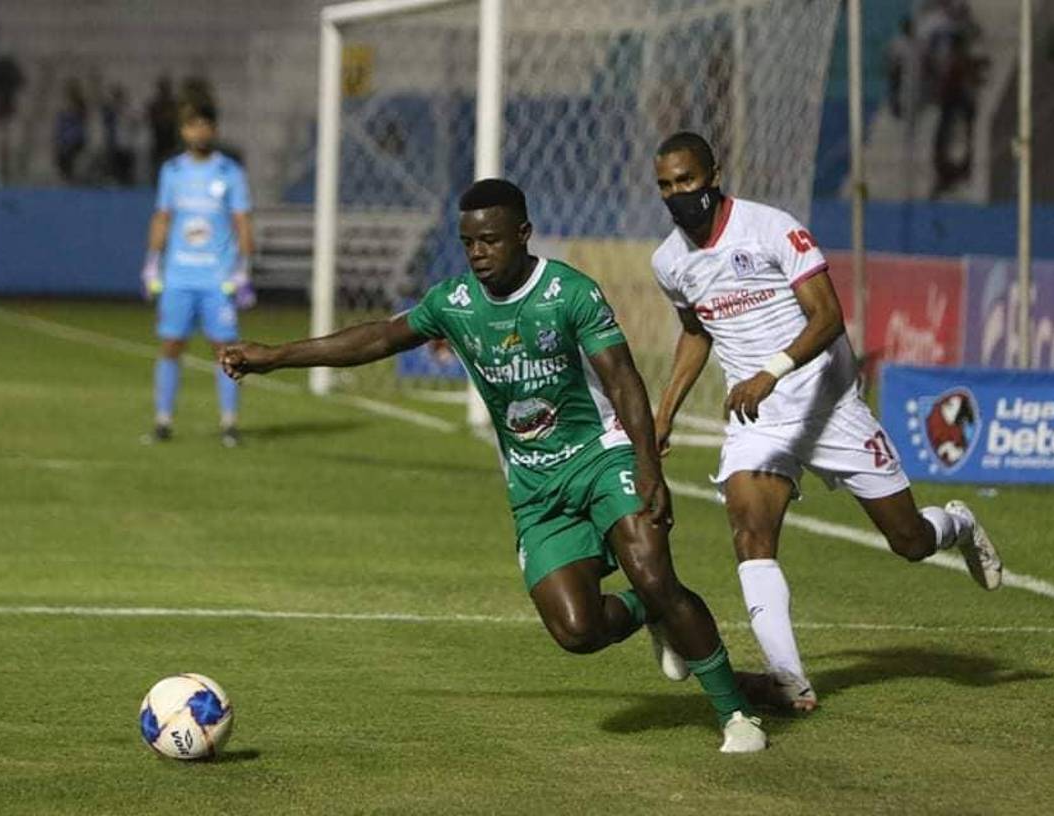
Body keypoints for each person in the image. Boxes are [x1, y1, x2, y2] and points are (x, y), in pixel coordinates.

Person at [218, 178, 767, 753]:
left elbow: (624, 382)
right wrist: (275, 357)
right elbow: (378, 337)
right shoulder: (453, 303)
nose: (478, 253)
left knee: (654, 573)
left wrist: (648, 466)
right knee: (578, 631)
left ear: (523, 234)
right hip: (534, 484)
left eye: (490, 240)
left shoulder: (569, 292)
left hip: (600, 456)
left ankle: (736, 715)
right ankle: (645, 611)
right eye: (468, 243)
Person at [649, 132, 1002, 712]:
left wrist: (769, 373)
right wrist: (665, 413)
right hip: (759, 421)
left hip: (828, 406)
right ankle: (790, 679)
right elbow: (695, 331)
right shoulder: (669, 261)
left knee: (909, 540)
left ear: (713, 175)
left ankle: (958, 523)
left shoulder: (770, 228)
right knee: (750, 535)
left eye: (686, 180)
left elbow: (828, 317)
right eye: (665, 186)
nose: (676, 194)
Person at [142, 101, 255, 447]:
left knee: (226, 349)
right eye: (193, 125)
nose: (199, 132)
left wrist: (244, 269)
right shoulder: (172, 171)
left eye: (205, 125)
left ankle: (229, 422)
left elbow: (241, 221)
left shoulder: (229, 172)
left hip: (217, 278)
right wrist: (151, 262)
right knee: (171, 345)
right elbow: (162, 217)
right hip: (179, 276)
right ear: (184, 130)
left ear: (214, 130)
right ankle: (163, 420)